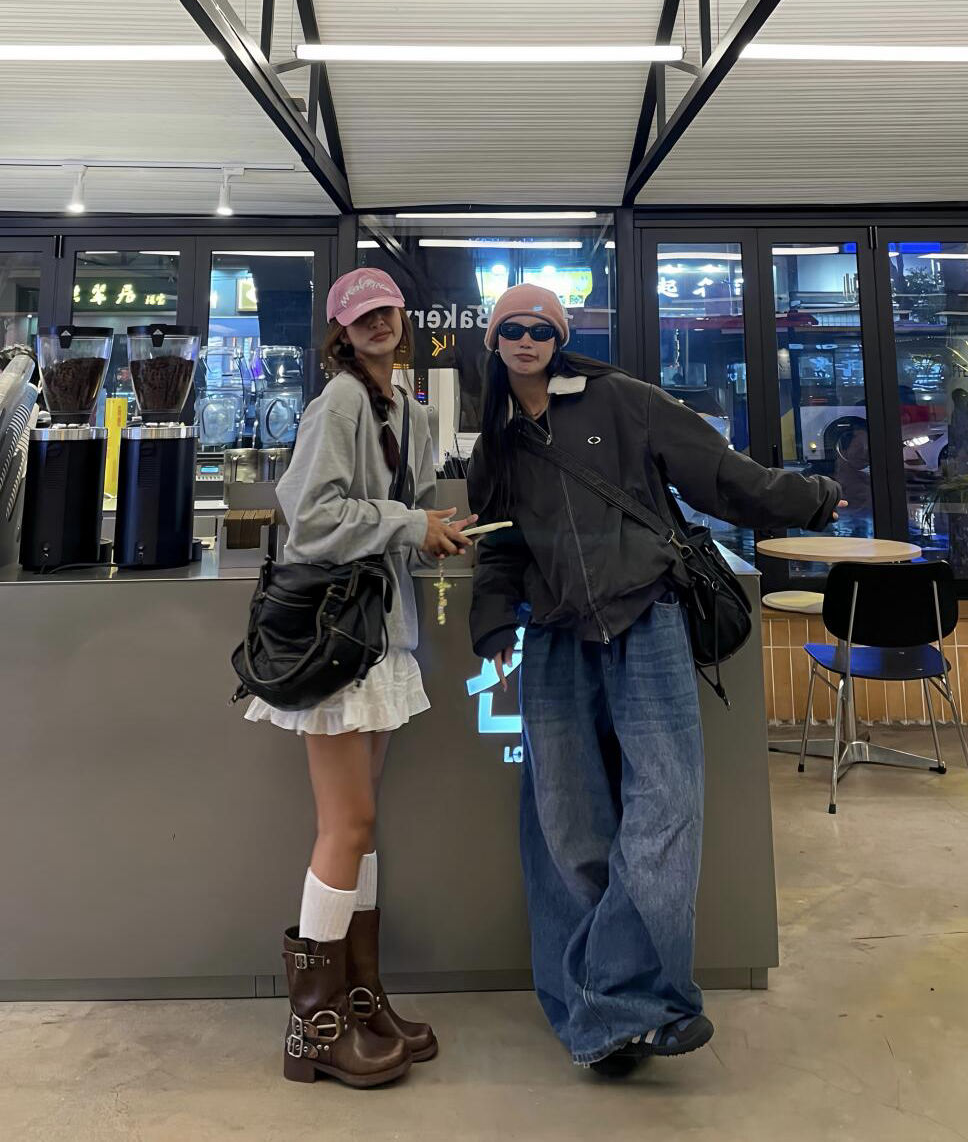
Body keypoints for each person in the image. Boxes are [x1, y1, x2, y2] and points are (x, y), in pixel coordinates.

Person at [467, 284, 844, 1076]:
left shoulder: (622, 400)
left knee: (668, 805)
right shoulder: (495, 445)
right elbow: (499, 545)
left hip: (648, 615)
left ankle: (620, 1003)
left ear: (560, 339)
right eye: (511, 329)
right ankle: (598, 1014)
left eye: (541, 328)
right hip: (557, 634)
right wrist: (493, 619)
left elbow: (719, 472)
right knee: (565, 821)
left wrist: (808, 498)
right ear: (494, 342)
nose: (526, 339)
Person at [246, 267, 477, 1088]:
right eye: (362, 314)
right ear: (341, 331)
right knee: (347, 825)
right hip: (336, 637)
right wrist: (410, 523)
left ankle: (360, 999)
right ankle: (313, 1029)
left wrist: (430, 530)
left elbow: (396, 518)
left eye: (387, 310)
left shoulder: (406, 409)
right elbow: (309, 518)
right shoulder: (340, 402)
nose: (378, 322)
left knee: (362, 826)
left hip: (375, 634)